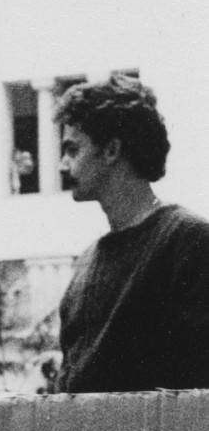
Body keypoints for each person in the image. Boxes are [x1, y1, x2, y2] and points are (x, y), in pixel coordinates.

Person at [56, 76, 209, 392]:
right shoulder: (86, 265)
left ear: (111, 150)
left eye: (73, 149)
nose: (62, 164)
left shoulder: (189, 242)